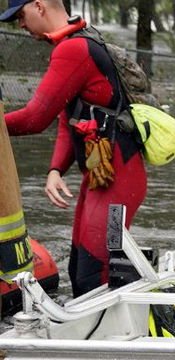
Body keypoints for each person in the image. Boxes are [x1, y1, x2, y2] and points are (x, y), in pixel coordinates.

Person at [2, 0, 146, 297]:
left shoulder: (72, 49)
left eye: (20, 16)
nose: (21, 25)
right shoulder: (79, 38)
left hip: (117, 178)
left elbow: (35, 118)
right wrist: (56, 169)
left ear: (39, 6)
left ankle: (113, 338)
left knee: (93, 271)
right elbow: (71, 121)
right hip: (102, 177)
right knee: (80, 266)